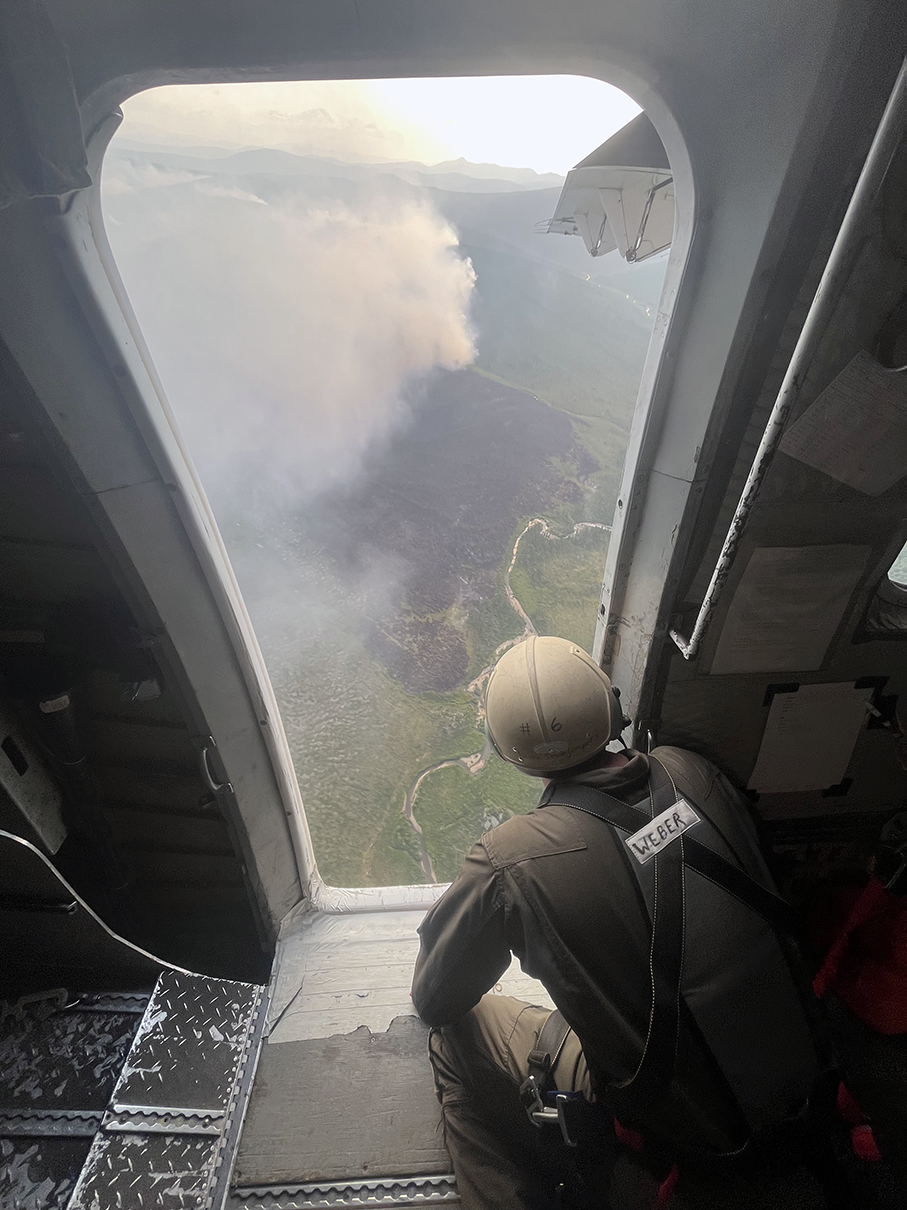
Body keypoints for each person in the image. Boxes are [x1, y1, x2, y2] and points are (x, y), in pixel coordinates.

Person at [411, 636, 824, 1209]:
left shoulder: (507, 859)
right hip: (809, 1081)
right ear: (610, 706)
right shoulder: (691, 768)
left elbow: (435, 998)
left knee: (455, 1037)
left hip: (696, 1143)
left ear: (509, 751)